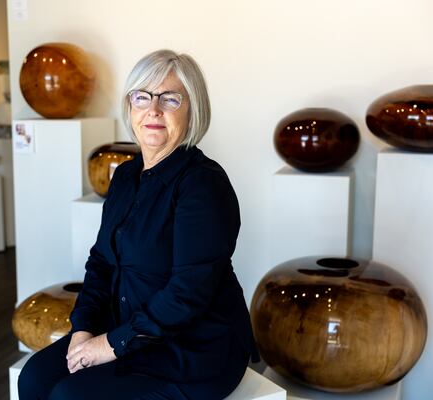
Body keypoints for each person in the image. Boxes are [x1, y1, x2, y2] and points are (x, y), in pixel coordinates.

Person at [18, 49, 259, 400]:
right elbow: (101, 262)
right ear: (130, 106)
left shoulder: (203, 184)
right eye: (142, 96)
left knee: (71, 396)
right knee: (34, 378)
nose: (153, 110)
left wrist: (111, 345)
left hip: (194, 348)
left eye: (170, 98)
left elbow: (187, 293)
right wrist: (84, 330)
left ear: (194, 110)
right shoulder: (126, 176)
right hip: (128, 329)